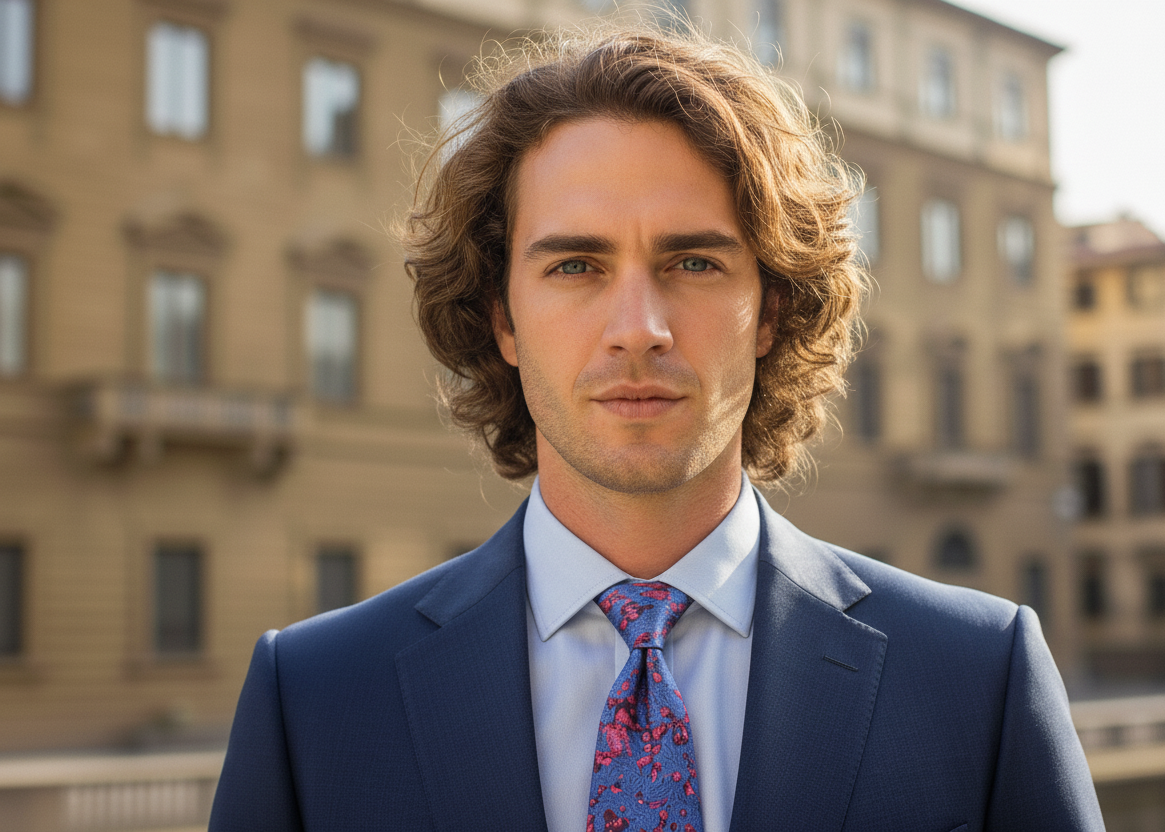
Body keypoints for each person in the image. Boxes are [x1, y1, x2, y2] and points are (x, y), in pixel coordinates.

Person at [210, 22, 1103, 832]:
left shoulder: (978, 677)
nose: (638, 325)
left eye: (693, 261)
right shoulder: (316, 700)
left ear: (770, 310)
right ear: (502, 322)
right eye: (574, 265)